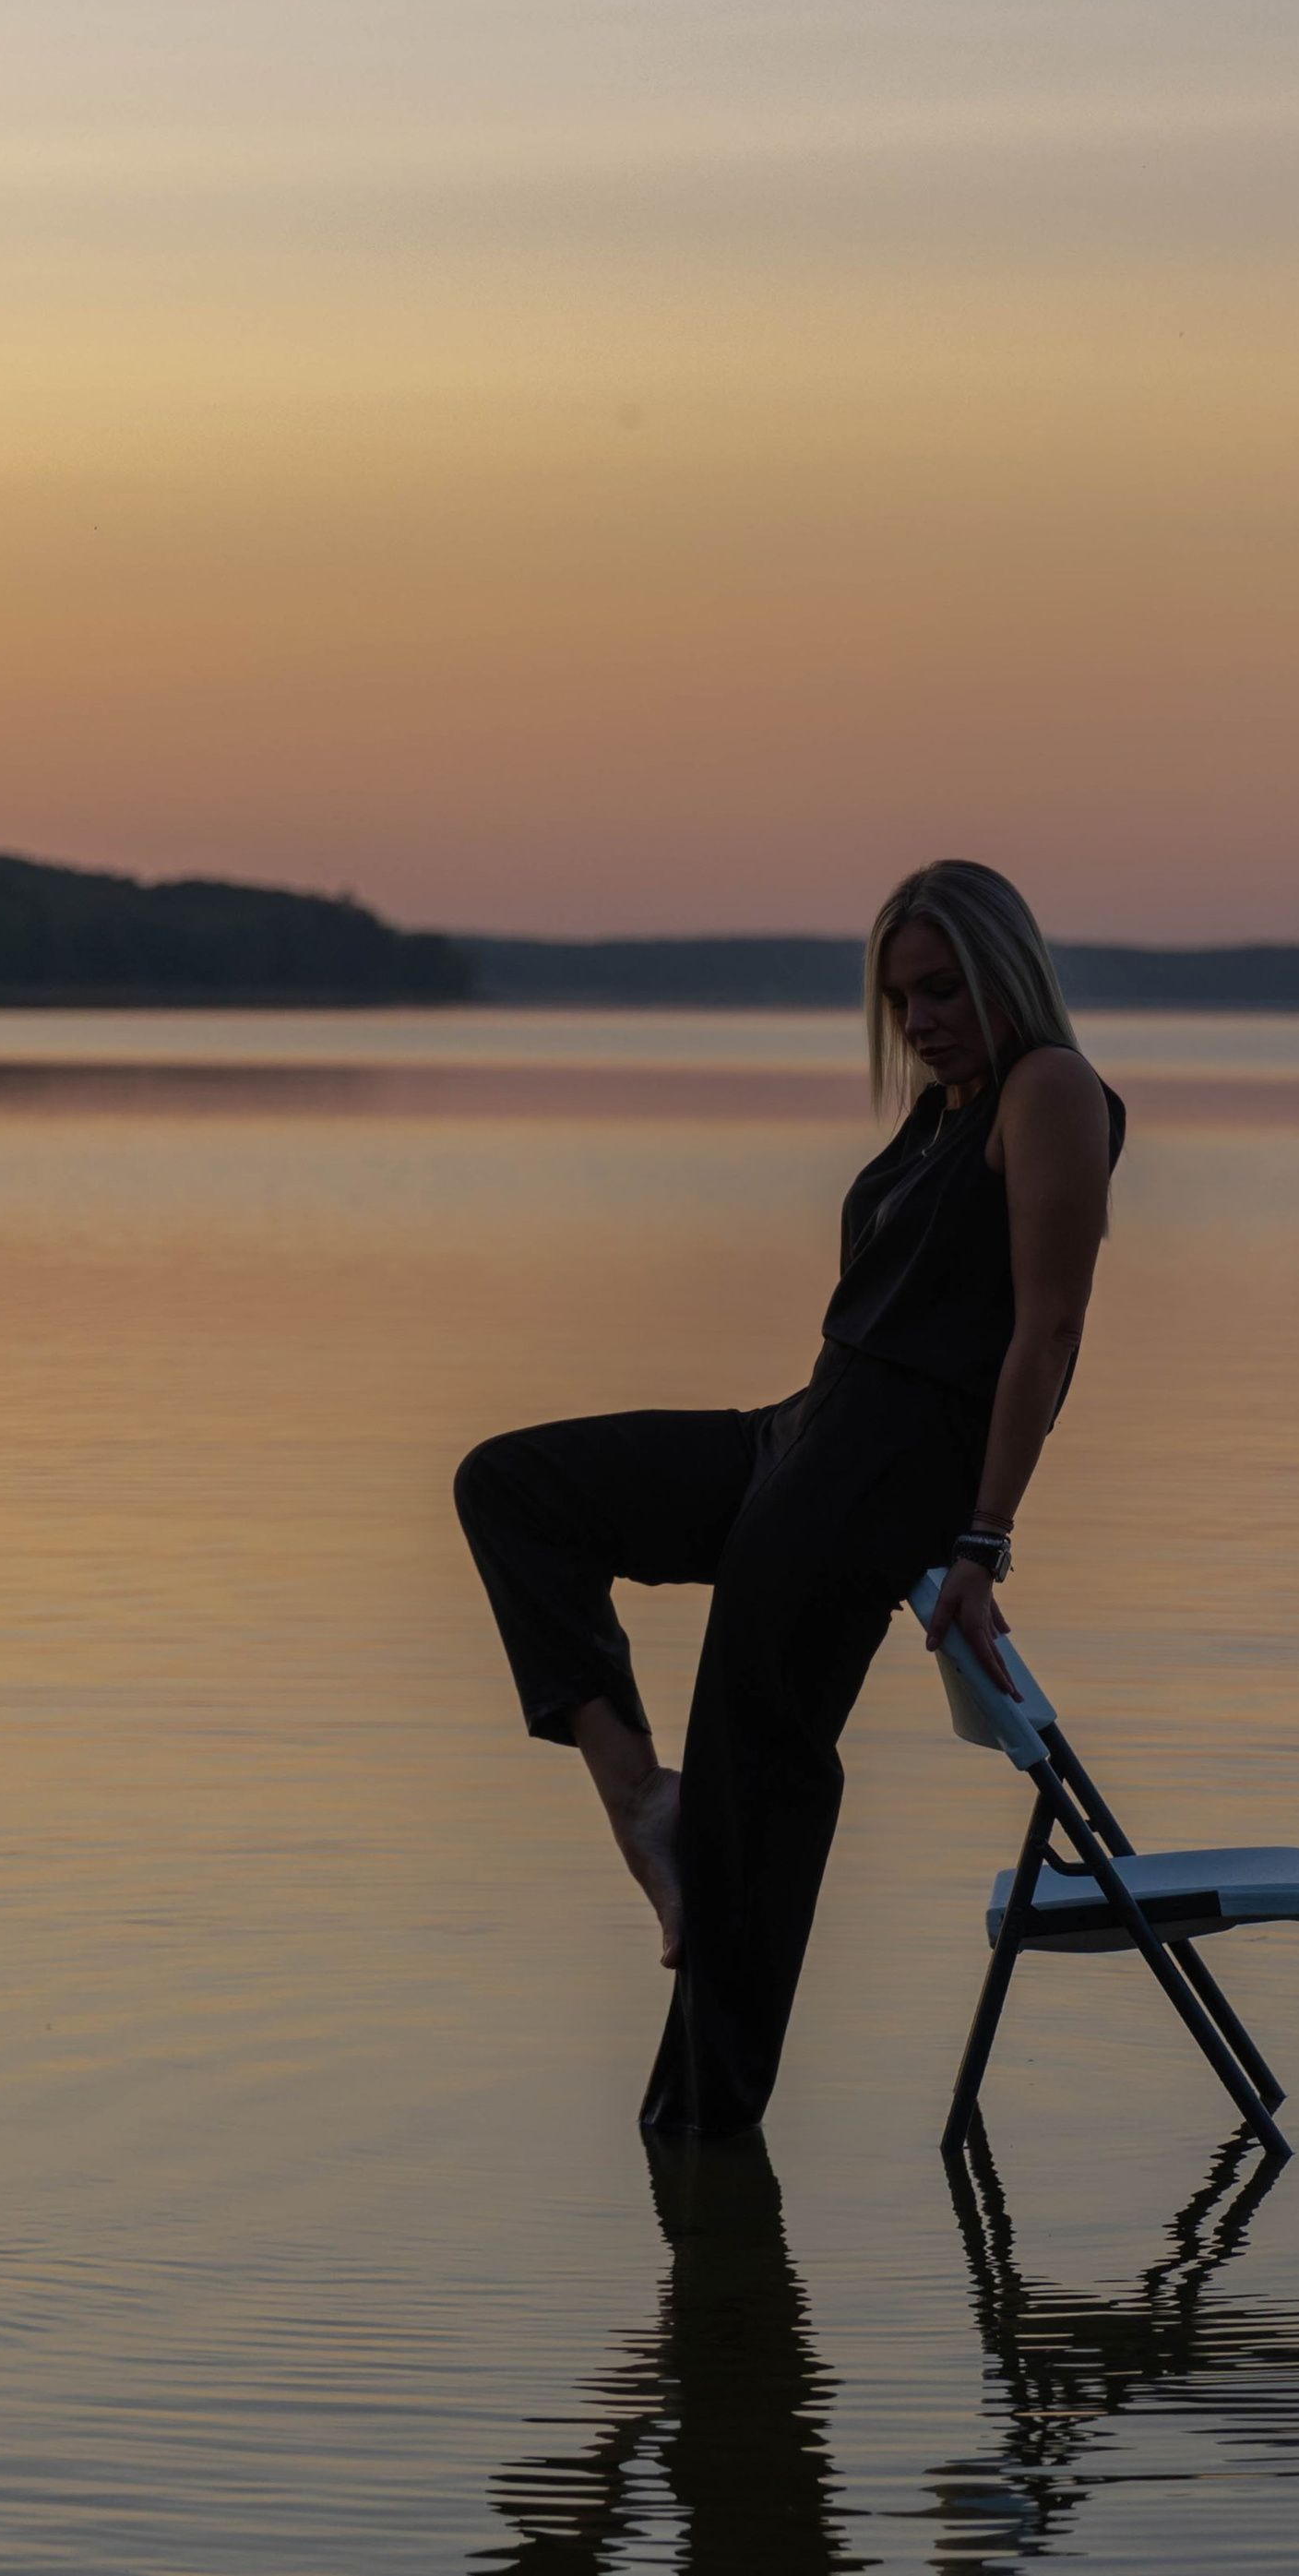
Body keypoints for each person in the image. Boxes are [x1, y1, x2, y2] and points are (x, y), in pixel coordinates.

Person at [453, 858, 1125, 2139]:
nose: (920, 1022)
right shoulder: (941, 1110)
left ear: (1007, 971)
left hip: (877, 1474)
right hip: (802, 1430)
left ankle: (703, 2140)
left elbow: (1049, 1331)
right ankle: (638, 1796)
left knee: (755, 1789)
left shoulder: (1051, 1088)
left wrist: (982, 1539)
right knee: (514, 1487)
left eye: (945, 989)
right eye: (901, 999)